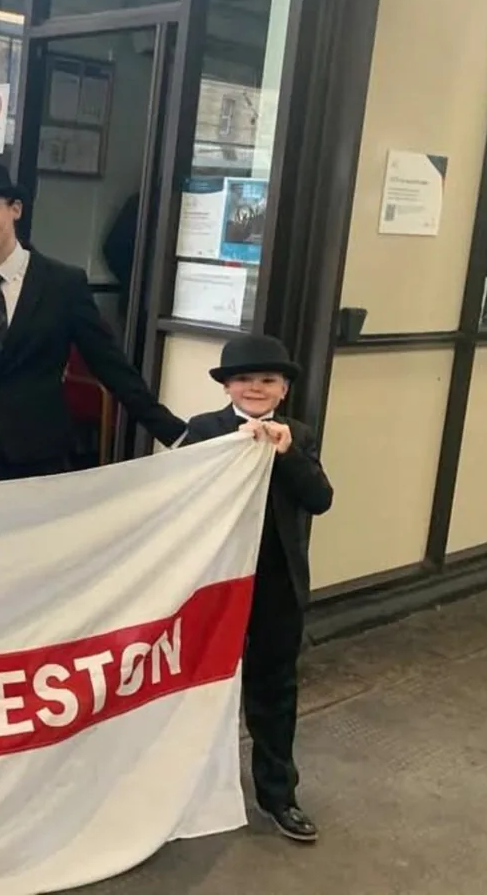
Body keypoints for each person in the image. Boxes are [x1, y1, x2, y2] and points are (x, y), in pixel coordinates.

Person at [0, 160, 185, 484]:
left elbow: (110, 366)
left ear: (16, 209)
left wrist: (176, 433)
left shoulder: (63, 284)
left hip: (38, 456)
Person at [182, 334, 333, 844]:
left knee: (275, 688)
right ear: (226, 385)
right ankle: (189, 791)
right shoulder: (203, 431)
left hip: (274, 581)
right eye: (244, 379)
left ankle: (278, 795)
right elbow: (177, 497)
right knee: (200, 685)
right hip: (214, 579)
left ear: (284, 389)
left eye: (267, 380)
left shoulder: (299, 435)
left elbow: (320, 498)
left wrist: (289, 455)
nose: (255, 388)